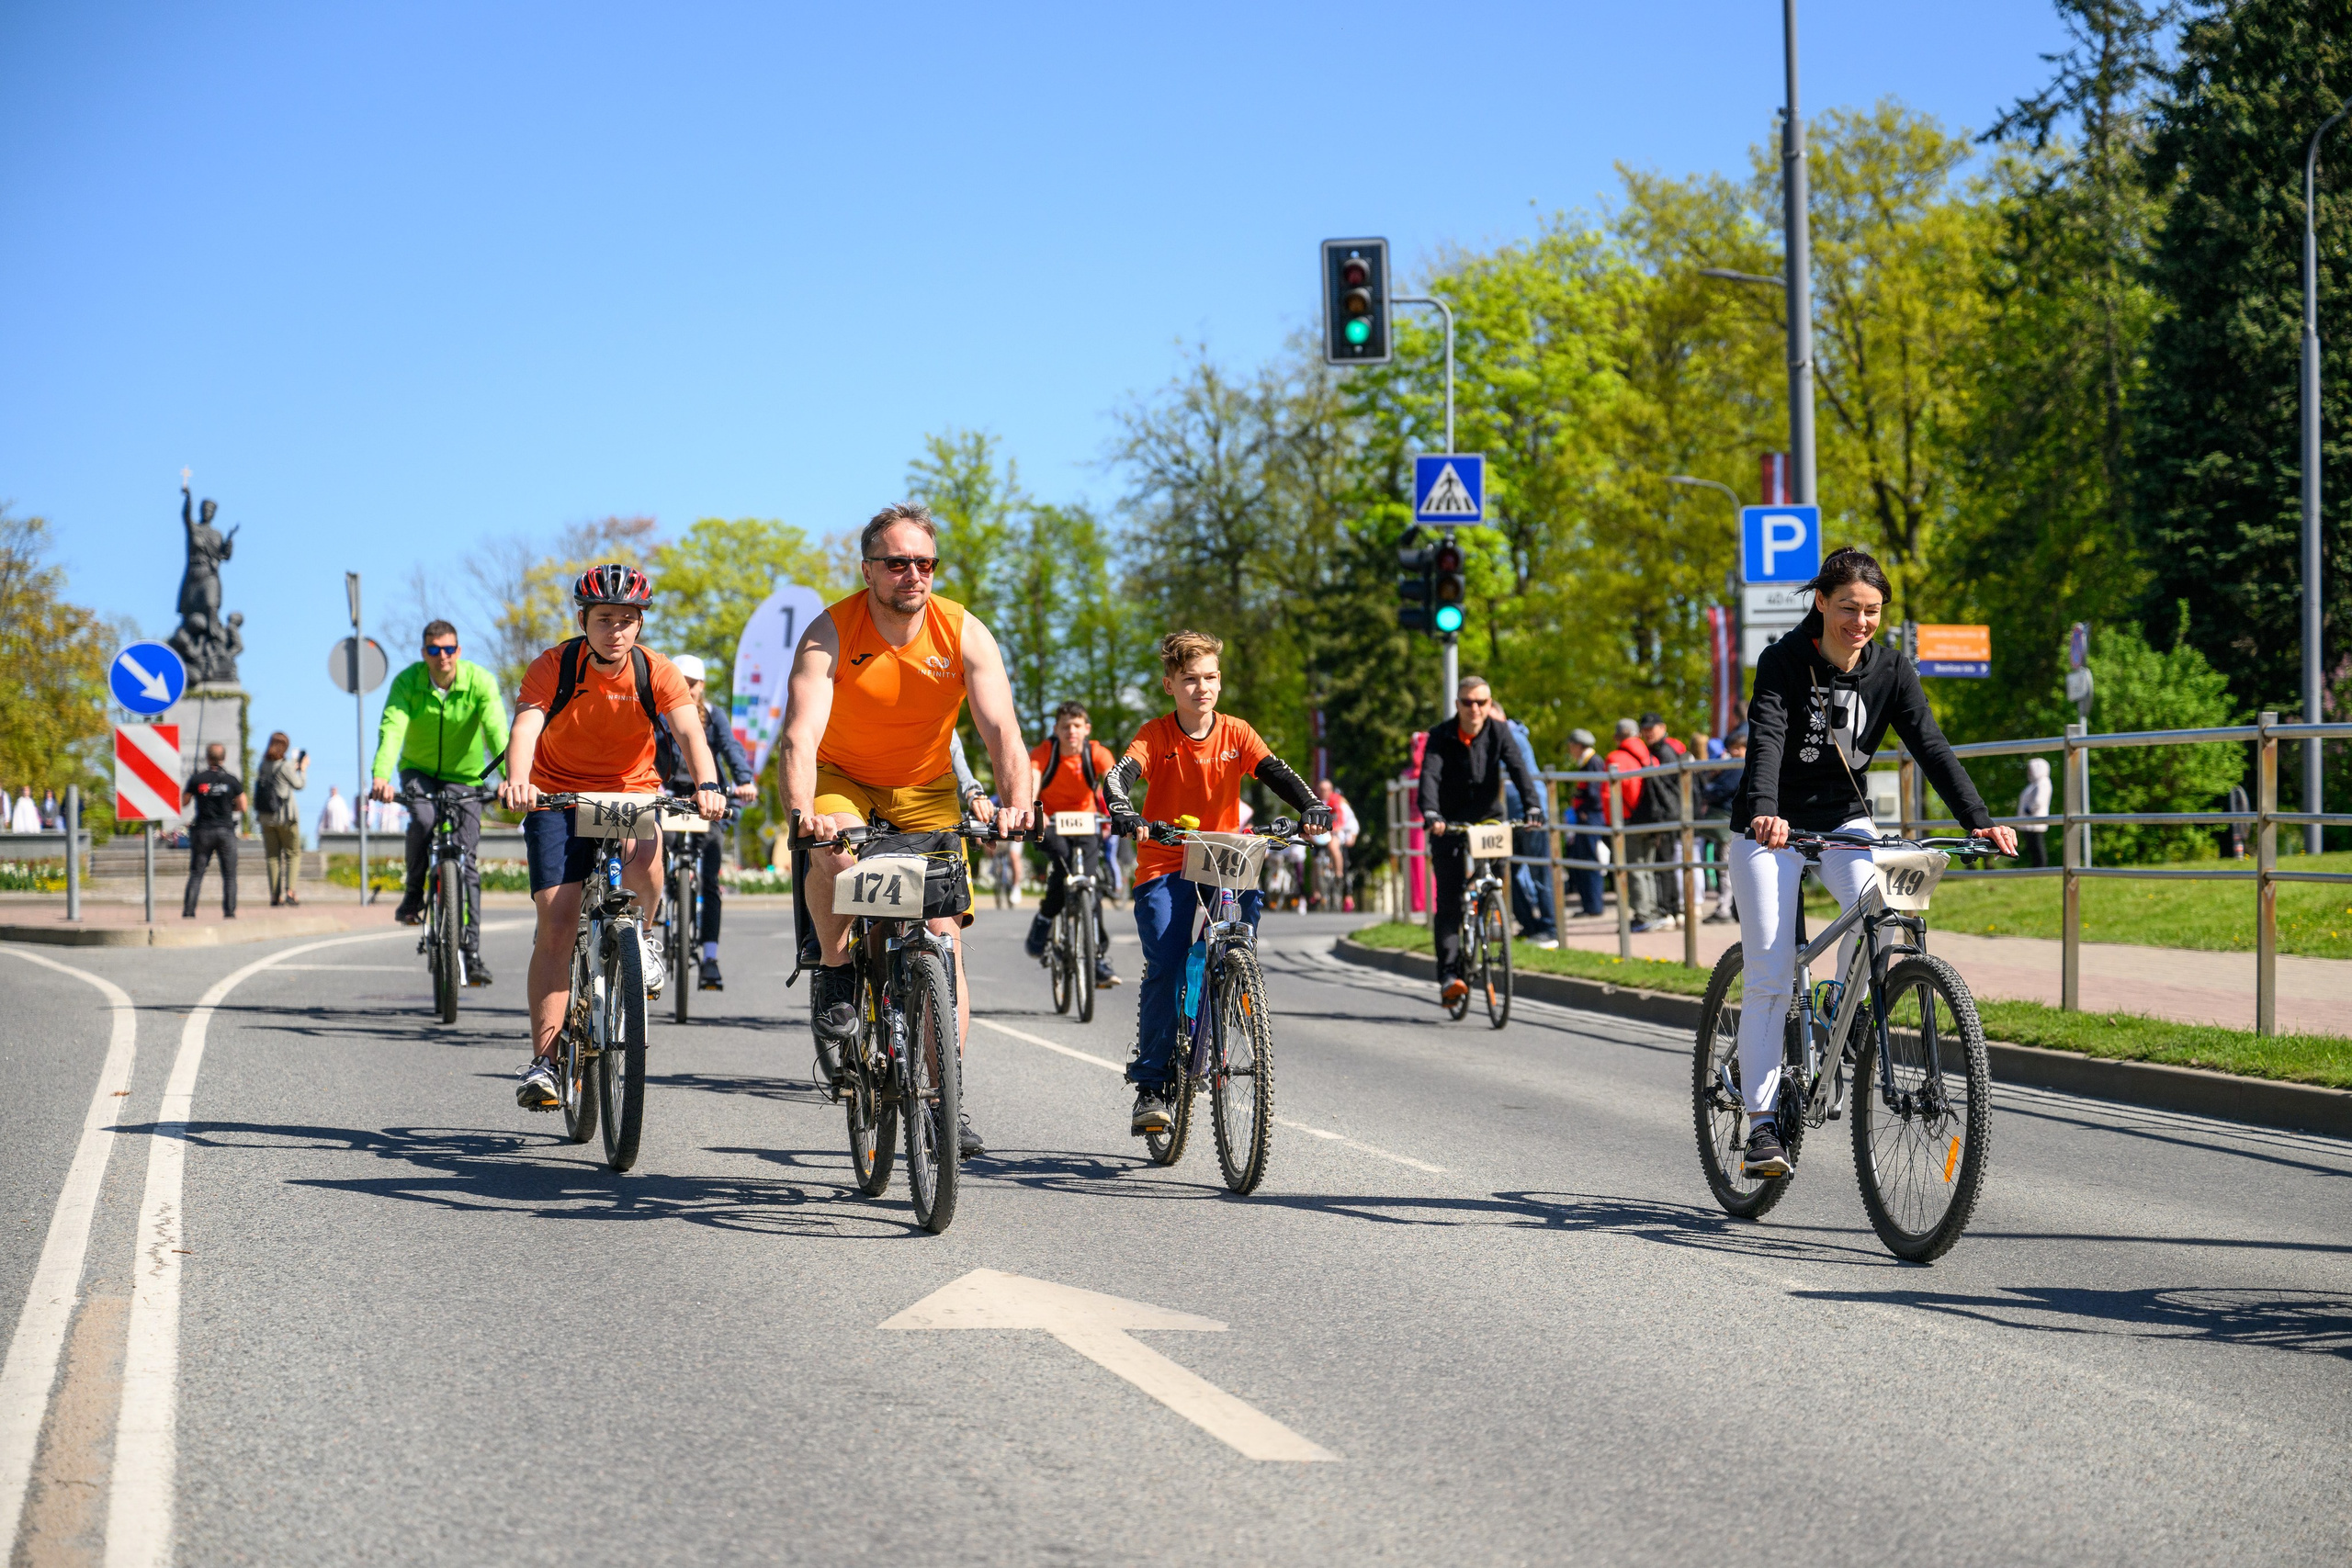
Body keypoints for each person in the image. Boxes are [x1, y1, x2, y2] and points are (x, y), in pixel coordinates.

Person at [1731, 546, 2017, 1178]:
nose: (1860, 622)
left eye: (1872, 611)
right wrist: (1765, 810)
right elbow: (1768, 737)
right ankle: (1760, 1126)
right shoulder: (1783, 661)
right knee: (1773, 973)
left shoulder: (1892, 669)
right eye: (1848, 609)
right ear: (1821, 603)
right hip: (1769, 826)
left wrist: (1980, 818)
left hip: (1843, 819)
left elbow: (1931, 744)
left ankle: (1838, 1008)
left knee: (1883, 908)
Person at [778, 502, 1036, 1160]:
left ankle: (942, 1098)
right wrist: (803, 806)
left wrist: (1016, 803)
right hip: (846, 778)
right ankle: (835, 968)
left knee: (944, 943)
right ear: (869, 569)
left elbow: (1002, 730)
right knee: (834, 854)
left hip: (926, 790)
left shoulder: (962, 631)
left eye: (924, 562)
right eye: (897, 563)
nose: (912, 574)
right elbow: (801, 733)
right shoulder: (830, 631)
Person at [499, 566, 726, 1111]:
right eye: (605, 619)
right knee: (557, 919)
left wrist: (709, 785)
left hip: (629, 792)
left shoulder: (656, 671)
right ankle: (546, 1063)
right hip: (557, 794)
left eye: (628, 620)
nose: (616, 631)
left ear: (640, 624)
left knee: (648, 861)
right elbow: (526, 726)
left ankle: (643, 936)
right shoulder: (554, 666)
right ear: (583, 620)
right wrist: (519, 779)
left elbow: (689, 730)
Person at [1102, 629, 1329, 1134]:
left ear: (1219, 682)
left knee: (1236, 947)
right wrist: (1122, 809)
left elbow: (1277, 773)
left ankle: (1224, 999)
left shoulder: (1237, 733)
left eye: (1209, 678)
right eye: (1189, 680)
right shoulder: (1155, 735)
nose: (1201, 688)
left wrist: (1311, 806)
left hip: (1226, 856)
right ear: (1170, 685)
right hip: (1166, 859)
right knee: (1165, 958)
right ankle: (1152, 1084)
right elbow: (1117, 777)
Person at [372, 621, 511, 985]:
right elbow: (392, 728)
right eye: (434, 650)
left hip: (465, 777)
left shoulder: (479, 682)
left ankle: (472, 952)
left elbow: (497, 730)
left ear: (459, 651)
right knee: (422, 818)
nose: (443, 656)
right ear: (424, 654)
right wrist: (381, 776)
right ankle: (414, 893)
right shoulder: (408, 683)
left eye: (449, 649)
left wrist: (513, 777)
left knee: (466, 863)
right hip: (418, 771)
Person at [1414, 675, 1543, 1009]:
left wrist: (1532, 805)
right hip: (1449, 822)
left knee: (1495, 879)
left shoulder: (1500, 732)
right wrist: (1430, 812)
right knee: (1449, 897)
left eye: (1481, 702)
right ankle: (1449, 975)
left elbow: (1517, 767)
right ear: (1457, 704)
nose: (1475, 708)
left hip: (1487, 818)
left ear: (1489, 704)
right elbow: (1430, 774)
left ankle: (1490, 911)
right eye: (1468, 702)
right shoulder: (1440, 736)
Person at [653, 653, 760, 990]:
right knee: (656, 854)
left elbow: (732, 750)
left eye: (691, 684)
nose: (685, 689)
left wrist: (744, 781)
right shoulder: (658, 714)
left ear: (701, 686)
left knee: (711, 873)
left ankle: (710, 957)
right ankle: (659, 907)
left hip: (706, 800)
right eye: (679, 683)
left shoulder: (714, 716)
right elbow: (646, 751)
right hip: (668, 796)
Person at [1024, 701, 1121, 988]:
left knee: (1089, 886)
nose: (1071, 731)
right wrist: (1029, 811)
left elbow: (1113, 782)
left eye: (1077, 726)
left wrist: (1120, 811)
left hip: (1087, 822)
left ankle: (1097, 958)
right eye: (1065, 726)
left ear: (1087, 729)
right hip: (1052, 824)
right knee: (1063, 866)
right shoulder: (1045, 753)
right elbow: (1033, 780)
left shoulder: (1098, 753)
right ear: (1056, 729)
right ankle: (1045, 919)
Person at [1486, 697, 1559, 948]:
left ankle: (1550, 929)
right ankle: (1530, 925)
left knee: (1538, 870)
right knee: (1509, 871)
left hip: (1529, 814)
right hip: (1511, 815)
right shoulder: (1502, 736)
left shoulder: (1510, 737)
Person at [181, 742, 246, 918]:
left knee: (196, 874)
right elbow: (243, 805)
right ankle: (229, 912)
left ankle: (188, 912)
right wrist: (228, 807)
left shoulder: (197, 779)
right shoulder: (231, 780)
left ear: (207, 758)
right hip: (225, 831)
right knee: (229, 876)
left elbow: (184, 801)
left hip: (203, 831)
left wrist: (194, 789)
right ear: (223, 758)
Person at [1699, 724, 1747, 921]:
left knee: (1727, 866)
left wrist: (1710, 791)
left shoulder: (1738, 768)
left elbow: (1721, 789)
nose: (1734, 751)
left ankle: (1724, 908)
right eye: (1732, 748)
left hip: (1731, 821)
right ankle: (1730, 908)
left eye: (1738, 747)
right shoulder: (1735, 766)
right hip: (1734, 821)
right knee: (1730, 866)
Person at [254, 732, 310, 907]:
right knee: (293, 854)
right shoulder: (285, 766)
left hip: (266, 817)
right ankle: (290, 892)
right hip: (286, 817)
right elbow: (298, 785)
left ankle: (274, 895)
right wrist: (304, 770)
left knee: (272, 857)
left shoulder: (263, 765)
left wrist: (293, 766)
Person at [1559, 729, 1606, 918]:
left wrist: (1584, 809)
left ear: (1578, 745)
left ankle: (1594, 905)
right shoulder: (1586, 762)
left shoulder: (1593, 762)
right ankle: (1589, 904)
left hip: (1591, 818)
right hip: (1585, 817)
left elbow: (1594, 793)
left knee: (1590, 861)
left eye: (1572, 745)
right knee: (1582, 860)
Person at [1317, 778, 1358, 911]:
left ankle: (1338, 874)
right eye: (1321, 790)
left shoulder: (1339, 803)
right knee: (1314, 861)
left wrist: (1352, 835)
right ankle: (1316, 891)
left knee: (1333, 847)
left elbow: (1349, 821)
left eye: (1326, 790)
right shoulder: (1315, 803)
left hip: (1336, 834)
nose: (1323, 792)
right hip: (1320, 836)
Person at [2019, 757, 2052, 869]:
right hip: (2030, 822)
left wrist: (2030, 809)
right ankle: (2036, 867)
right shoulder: (2034, 784)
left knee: (2037, 846)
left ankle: (2040, 867)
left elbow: (2039, 800)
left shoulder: (2043, 782)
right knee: (2032, 847)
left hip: (2035, 821)